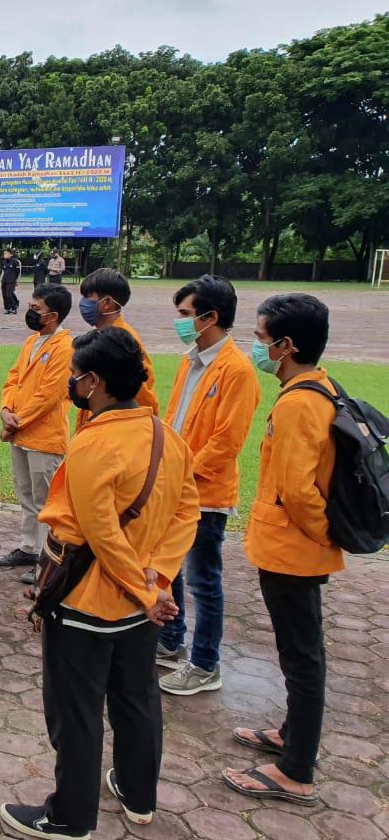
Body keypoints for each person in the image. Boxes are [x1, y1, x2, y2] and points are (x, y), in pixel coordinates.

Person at [0, 326, 198, 840]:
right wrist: (160, 578)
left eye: (75, 376)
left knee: (77, 710)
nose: (71, 382)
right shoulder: (165, 436)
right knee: (136, 699)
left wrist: (144, 588)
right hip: (141, 605)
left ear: (94, 382)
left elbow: (99, 532)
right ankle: (138, 795)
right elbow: (187, 512)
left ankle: (70, 817)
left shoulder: (94, 443)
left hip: (89, 600)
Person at [222, 294, 343, 806]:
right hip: (296, 549)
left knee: (302, 657)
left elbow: (297, 491)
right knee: (302, 651)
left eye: (262, 336)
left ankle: (296, 771)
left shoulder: (298, 402)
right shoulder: (319, 386)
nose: (257, 345)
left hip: (294, 551)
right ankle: (293, 736)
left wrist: (320, 535)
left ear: (286, 345)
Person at [155, 276, 260, 696]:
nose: (179, 322)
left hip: (204, 494)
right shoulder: (189, 360)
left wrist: (184, 475)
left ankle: (204, 663)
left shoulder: (236, 370)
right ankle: (170, 637)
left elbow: (226, 442)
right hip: (175, 486)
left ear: (210, 317)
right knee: (170, 568)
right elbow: (173, 419)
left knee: (203, 581)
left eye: (185, 315)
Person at [0, 284, 74, 583]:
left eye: (35, 309)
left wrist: (15, 420)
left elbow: (49, 395)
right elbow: (13, 379)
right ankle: (29, 547)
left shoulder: (65, 348)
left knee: (46, 502)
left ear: (52, 316)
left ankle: (46, 559)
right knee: (26, 494)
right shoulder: (31, 342)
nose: (30, 312)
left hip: (44, 436)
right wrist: (6, 409)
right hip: (20, 433)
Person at [77, 268, 159, 419]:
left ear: (107, 302)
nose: (83, 303)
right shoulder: (101, 337)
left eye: (88, 296)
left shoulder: (125, 341)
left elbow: (142, 393)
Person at [0, 249, 22, 314]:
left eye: (6, 253)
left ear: (11, 254)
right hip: (4, 281)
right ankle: (7, 308)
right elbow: (3, 272)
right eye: (4, 253)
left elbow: (18, 272)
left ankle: (14, 308)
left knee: (9, 295)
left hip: (11, 281)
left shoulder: (15, 261)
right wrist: (1, 280)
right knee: (4, 295)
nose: (4, 255)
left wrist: (17, 281)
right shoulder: (4, 262)